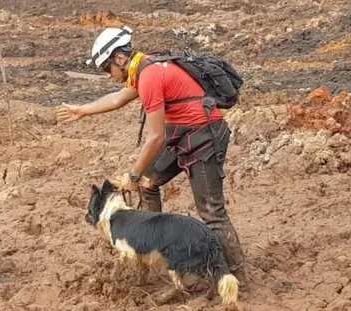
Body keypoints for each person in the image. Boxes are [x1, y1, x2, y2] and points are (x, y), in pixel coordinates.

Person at [56, 26, 250, 290]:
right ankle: (149, 247)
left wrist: (133, 176)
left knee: (212, 212)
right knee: (149, 183)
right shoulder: (145, 68)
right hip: (182, 134)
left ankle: (237, 276)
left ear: (120, 59)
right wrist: (82, 110)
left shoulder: (150, 76)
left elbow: (156, 137)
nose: (109, 76)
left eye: (106, 69)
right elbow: (116, 99)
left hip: (204, 136)